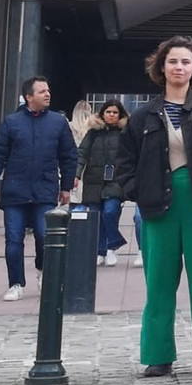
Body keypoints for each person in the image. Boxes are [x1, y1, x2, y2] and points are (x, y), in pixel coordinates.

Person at [117, 36, 192, 377]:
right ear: (161, 67)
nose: (179, 67)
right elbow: (124, 163)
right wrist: (136, 190)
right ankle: (158, 354)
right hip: (156, 202)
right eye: (173, 61)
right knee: (159, 282)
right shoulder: (142, 115)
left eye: (186, 62)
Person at [0, 77, 77, 301]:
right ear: (29, 97)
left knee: (45, 237)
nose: (48, 94)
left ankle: (43, 272)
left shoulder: (58, 122)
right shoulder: (12, 122)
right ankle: (15, 283)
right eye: (42, 91)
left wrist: (66, 187)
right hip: (15, 191)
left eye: (48, 90)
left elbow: (69, 156)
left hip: (45, 190)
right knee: (13, 241)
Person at [77, 101, 130, 266]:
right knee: (96, 217)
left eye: (115, 112)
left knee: (110, 211)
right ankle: (100, 251)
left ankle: (111, 247)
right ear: (102, 114)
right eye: (108, 112)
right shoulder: (93, 133)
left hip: (116, 180)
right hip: (94, 179)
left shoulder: (125, 133)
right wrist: (76, 174)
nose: (112, 115)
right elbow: (82, 154)